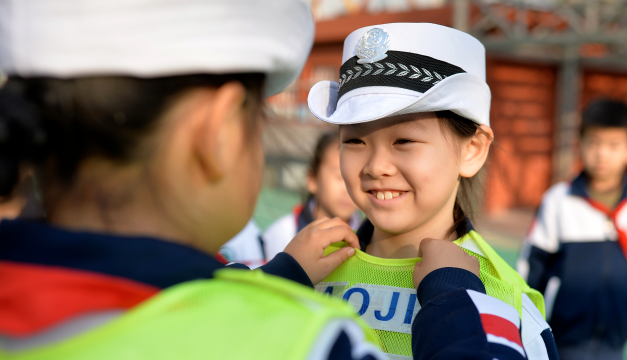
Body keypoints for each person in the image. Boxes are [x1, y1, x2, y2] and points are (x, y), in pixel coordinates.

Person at [0, 1, 382, 358]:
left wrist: (283, 274)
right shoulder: (312, 342)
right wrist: (443, 296)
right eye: (259, 120)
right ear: (221, 132)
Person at [307, 23, 559, 359]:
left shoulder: (506, 298)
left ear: (472, 151)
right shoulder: (308, 269)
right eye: (354, 140)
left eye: (404, 141)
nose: (376, 166)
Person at [518, 98, 627, 360]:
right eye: (594, 143)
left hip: (617, 345)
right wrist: (525, 323)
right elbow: (532, 268)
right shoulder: (558, 200)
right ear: (580, 144)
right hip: (561, 341)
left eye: (613, 145)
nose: (602, 154)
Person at [262, 131, 362, 260]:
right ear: (312, 179)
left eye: (356, 177)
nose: (347, 189)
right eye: (340, 177)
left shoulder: (372, 238)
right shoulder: (281, 237)